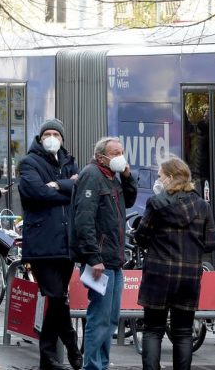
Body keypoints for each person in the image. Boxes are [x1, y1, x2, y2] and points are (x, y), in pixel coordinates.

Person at [134, 155, 215, 370]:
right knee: (183, 333)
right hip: (189, 276)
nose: (158, 180)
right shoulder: (202, 206)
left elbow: (141, 237)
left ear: (170, 178)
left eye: (160, 176)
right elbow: (210, 244)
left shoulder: (156, 203)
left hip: (158, 274)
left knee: (153, 330)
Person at [18, 118, 82, 370]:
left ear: (62, 139)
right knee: (56, 297)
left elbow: (79, 190)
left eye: (56, 134)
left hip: (66, 244)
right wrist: (67, 188)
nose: (52, 138)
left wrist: (58, 185)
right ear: (40, 137)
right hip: (42, 244)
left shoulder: (70, 162)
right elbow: (36, 193)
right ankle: (71, 343)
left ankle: (48, 359)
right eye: (48, 134)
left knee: (58, 299)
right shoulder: (28, 162)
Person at [70, 137, 137, 370]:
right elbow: (84, 220)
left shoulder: (112, 177)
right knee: (99, 318)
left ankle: (102, 364)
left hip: (113, 260)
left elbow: (129, 201)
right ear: (101, 157)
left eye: (121, 152)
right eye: (115, 153)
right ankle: (93, 366)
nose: (121, 156)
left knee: (110, 318)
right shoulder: (92, 176)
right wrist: (93, 257)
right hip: (100, 261)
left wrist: (128, 177)